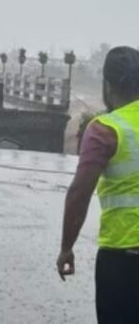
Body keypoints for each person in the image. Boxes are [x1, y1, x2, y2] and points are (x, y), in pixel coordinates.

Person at [58, 46, 139, 323]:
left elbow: (80, 192)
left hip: (124, 259)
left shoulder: (105, 129)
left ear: (107, 85)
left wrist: (67, 247)